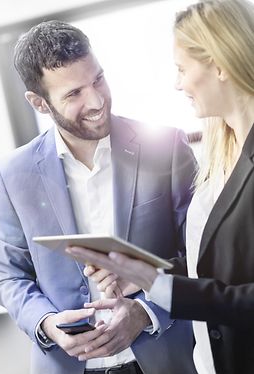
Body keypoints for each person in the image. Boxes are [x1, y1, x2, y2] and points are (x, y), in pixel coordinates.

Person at [0, 20, 197, 374]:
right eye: (73, 94)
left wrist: (147, 310)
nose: (97, 100)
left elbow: (199, 256)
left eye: (98, 79)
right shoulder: (13, 173)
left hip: (165, 357)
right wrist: (47, 325)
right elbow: (10, 277)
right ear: (39, 103)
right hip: (67, 365)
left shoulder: (167, 147)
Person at [67, 1, 254, 373]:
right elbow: (216, 266)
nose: (177, 83)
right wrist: (138, 272)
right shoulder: (221, 147)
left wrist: (157, 283)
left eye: (182, 69)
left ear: (219, 64)